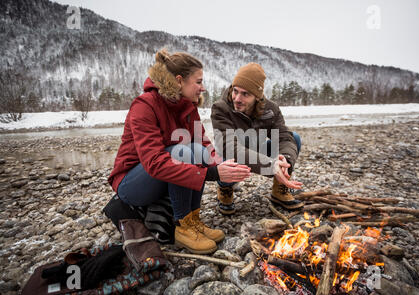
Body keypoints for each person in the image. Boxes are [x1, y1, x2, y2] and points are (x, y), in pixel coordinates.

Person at [108, 49, 251, 254]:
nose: (203, 88)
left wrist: (224, 169)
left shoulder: (187, 107)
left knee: (195, 149)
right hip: (132, 184)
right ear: (179, 80)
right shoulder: (144, 105)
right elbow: (155, 163)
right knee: (182, 151)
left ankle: (192, 220)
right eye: (198, 82)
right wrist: (211, 173)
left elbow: (203, 144)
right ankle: (182, 228)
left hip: (162, 175)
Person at [211, 62, 303, 215]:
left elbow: (284, 137)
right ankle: (225, 187)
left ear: (257, 97)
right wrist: (271, 165)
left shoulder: (270, 110)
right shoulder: (221, 108)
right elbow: (230, 148)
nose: (237, 98)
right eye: (235, 91)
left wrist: (284, 161)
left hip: (257, 151)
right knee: (226, 150)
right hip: (233, 154)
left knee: (294, 138)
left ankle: (279, 190)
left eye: (245, 94)